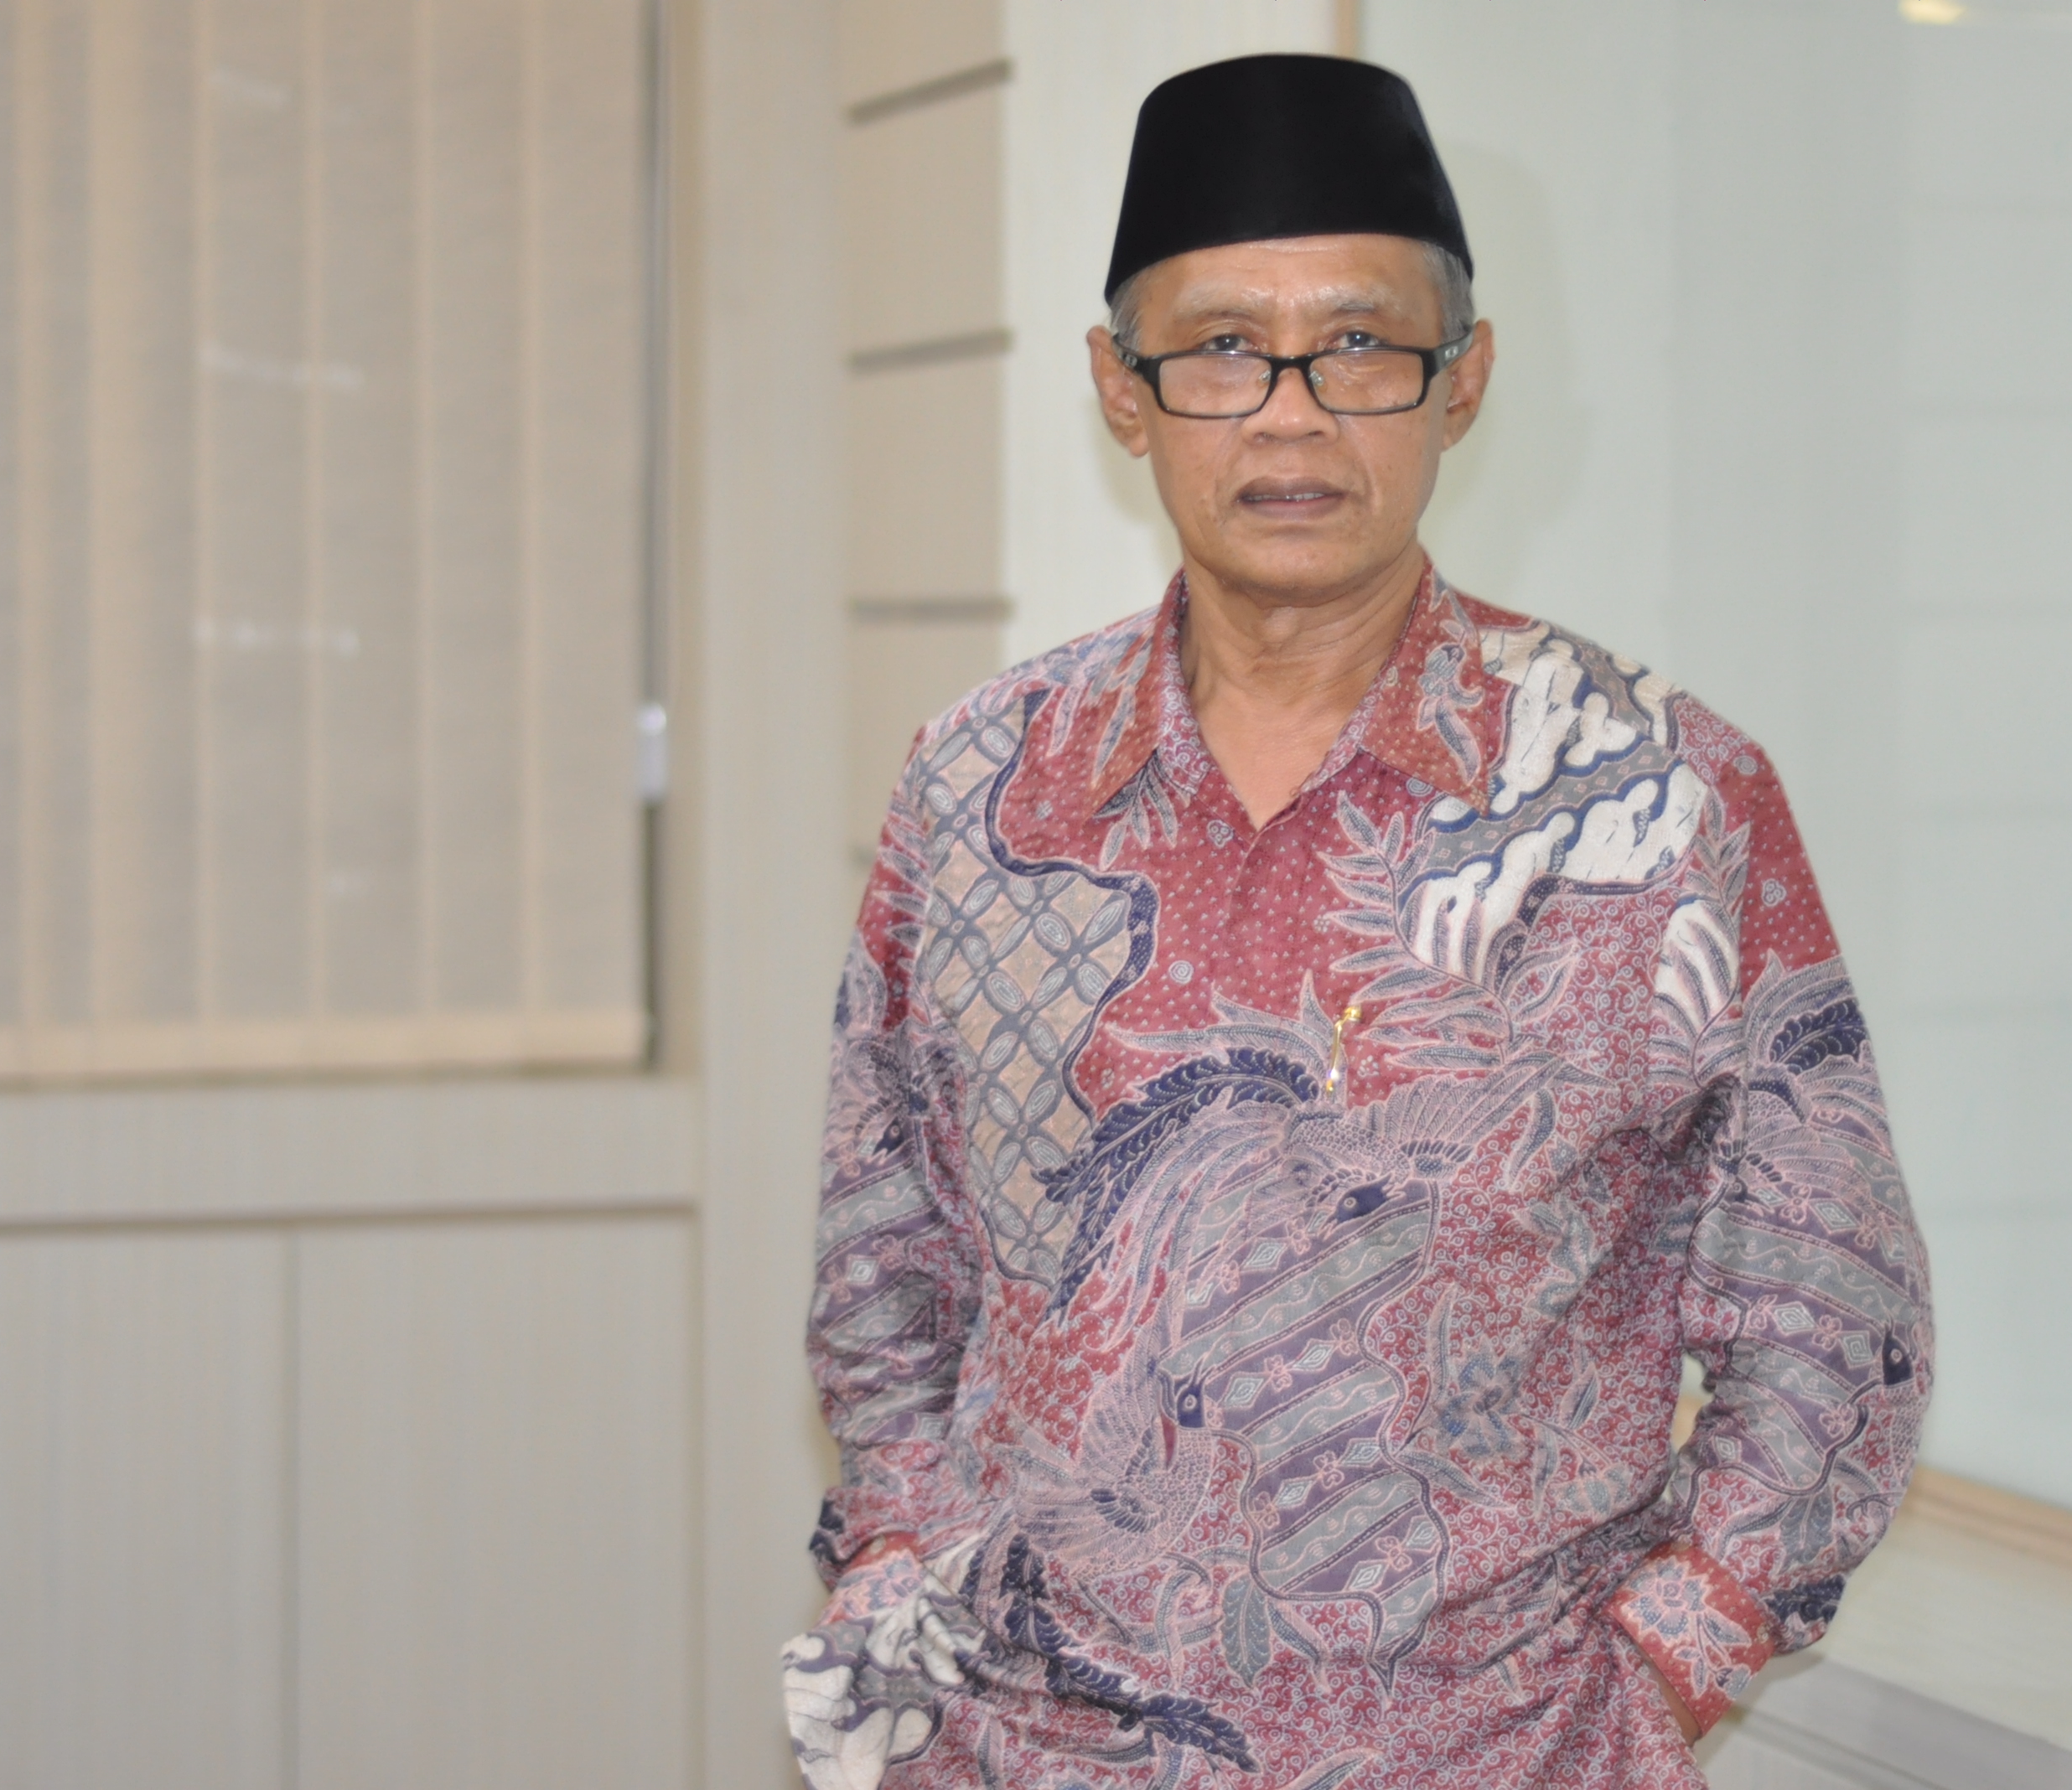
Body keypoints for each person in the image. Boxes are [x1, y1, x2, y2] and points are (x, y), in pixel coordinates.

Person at [782, 54, 1930, 1790]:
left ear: (1463, 382)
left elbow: (1831, 1315)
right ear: (1121, 391)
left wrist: (1658, 1676)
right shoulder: (983, 786)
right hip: (1021, 1753)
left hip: (1505, 1753)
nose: (1292, 413)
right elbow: (886, 1263)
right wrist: (898, 1569)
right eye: (1221, 347)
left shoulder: (1660, 799)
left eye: (1362, 346)